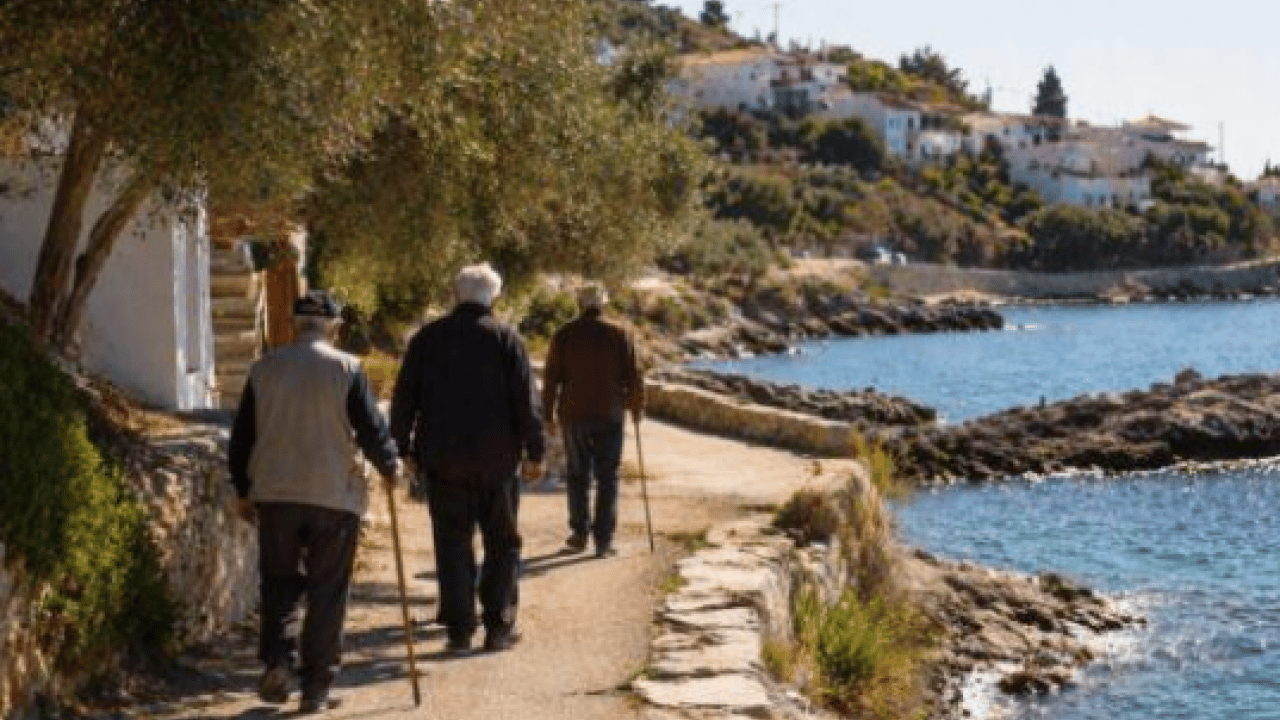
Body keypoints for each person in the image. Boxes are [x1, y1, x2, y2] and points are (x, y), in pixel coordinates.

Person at [228, 290, 401, 714]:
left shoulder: (264, 368)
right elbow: (371, 429)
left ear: (293, 325)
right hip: (334, 496)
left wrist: (243, 489)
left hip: (276, 495)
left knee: (279, 584)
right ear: (335, 328)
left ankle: (278, 662)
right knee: (327, 592)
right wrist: (390, 466)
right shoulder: (348, 368)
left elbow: (242, 437)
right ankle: (316, 689)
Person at [389, 263, 545, 656]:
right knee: (502, 543)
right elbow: (526, 401)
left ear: (456, 294)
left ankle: (459, 631)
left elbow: (404, 398)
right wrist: (535, 451)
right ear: (494, 297)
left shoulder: (428, 338)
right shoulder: (507, 339)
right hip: (498, 461)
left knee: (452, 543)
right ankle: (498, 626)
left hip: (443, 459)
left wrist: (402, 449)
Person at [541, 282, 644, 558]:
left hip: (573, 415)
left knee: (577, 475)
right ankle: (604, 541)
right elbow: (634, 375)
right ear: (603, 304)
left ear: (579, 304)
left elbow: (551, 378)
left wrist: (547, 413)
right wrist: (637, 408)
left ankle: (579, 534)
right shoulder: (620, 334)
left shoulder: (564, 334)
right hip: (609, 414)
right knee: (607, 477)